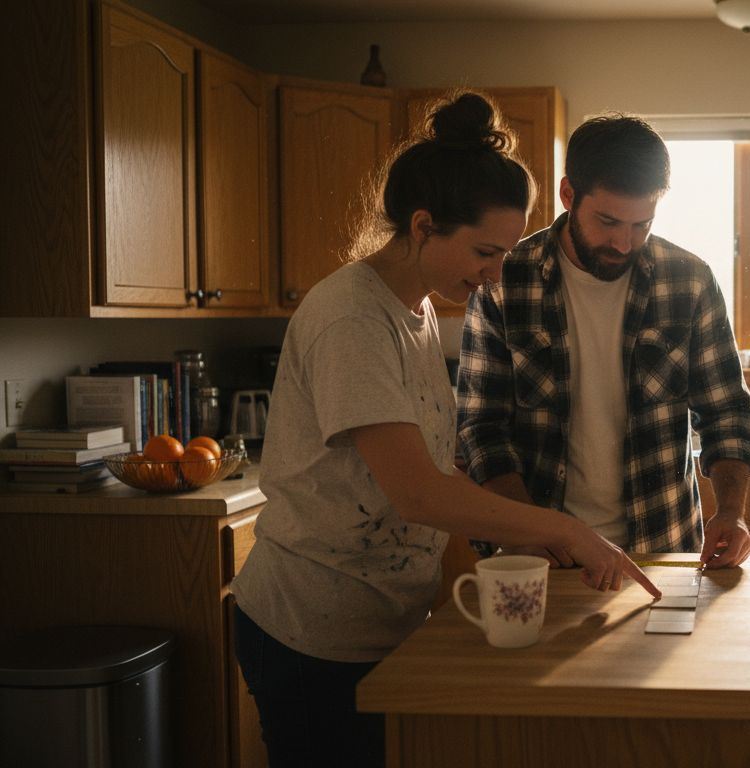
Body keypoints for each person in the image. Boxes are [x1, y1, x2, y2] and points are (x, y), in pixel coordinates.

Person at [230, 91, 659, 768]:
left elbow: (436, 463)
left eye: (506, 253)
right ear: (424, 225)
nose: (495, 274)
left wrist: (520, 535)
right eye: (485, 251)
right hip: (312, 631)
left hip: (383, 620)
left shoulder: (418, 309)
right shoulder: (352, 318)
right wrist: (566, 530)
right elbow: (417, 493)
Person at [457, 113, 750, 569]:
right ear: (568, 195)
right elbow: (482, 429)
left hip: (661, 546)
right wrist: (528, 533)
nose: (623, 243)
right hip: (543, 553)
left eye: (641, 225)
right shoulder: (504, 279)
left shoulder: (689, 280)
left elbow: (727, 413)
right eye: (608, 221)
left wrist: (732, 513)